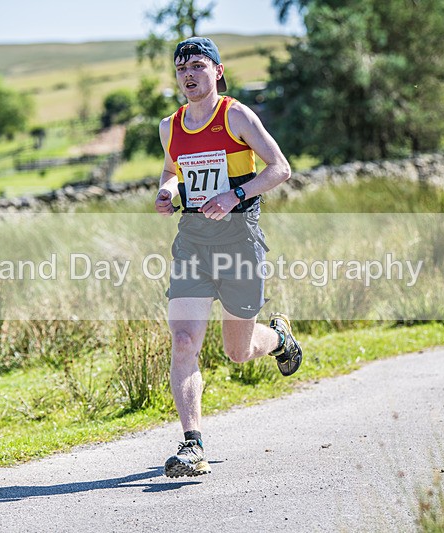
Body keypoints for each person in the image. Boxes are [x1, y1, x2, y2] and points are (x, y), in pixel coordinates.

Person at [154, 37, 303, 478]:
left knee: (238, 352)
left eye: (198, 65)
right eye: (181, 68)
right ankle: (192, 445)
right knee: (183, 341)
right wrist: (165, 190)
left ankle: (279, 339)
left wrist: (235, 194)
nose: (188, 75)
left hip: (239, 240)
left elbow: (281, 168)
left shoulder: (235, 115)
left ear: (218, 71)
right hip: (193, 243)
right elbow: (170, 169)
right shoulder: (170, 126)